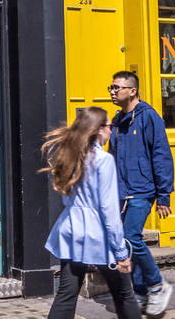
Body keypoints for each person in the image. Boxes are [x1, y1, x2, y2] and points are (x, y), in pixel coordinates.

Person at [43, 106, 141, 319]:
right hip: (98, 234)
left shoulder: (70, 156)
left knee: (66, 294)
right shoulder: (103, 160)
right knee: (124, 293)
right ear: (98, 130)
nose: (111, 130)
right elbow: (108, 209)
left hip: (72, 229)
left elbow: (66, 197)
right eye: (110, 126)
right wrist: (121, 252)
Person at [108, 71, 175, 316]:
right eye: (111, 88)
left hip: (142, 190)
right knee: (126, 243)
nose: (113, 92)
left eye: (117, 87)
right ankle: (139, 290)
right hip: (121, 192)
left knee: (131, 237)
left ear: (132, 90)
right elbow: (112, 157)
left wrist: (164, 194)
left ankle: (157, 285)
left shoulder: (149, 117)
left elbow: (161, 154)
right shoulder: (117, 119)